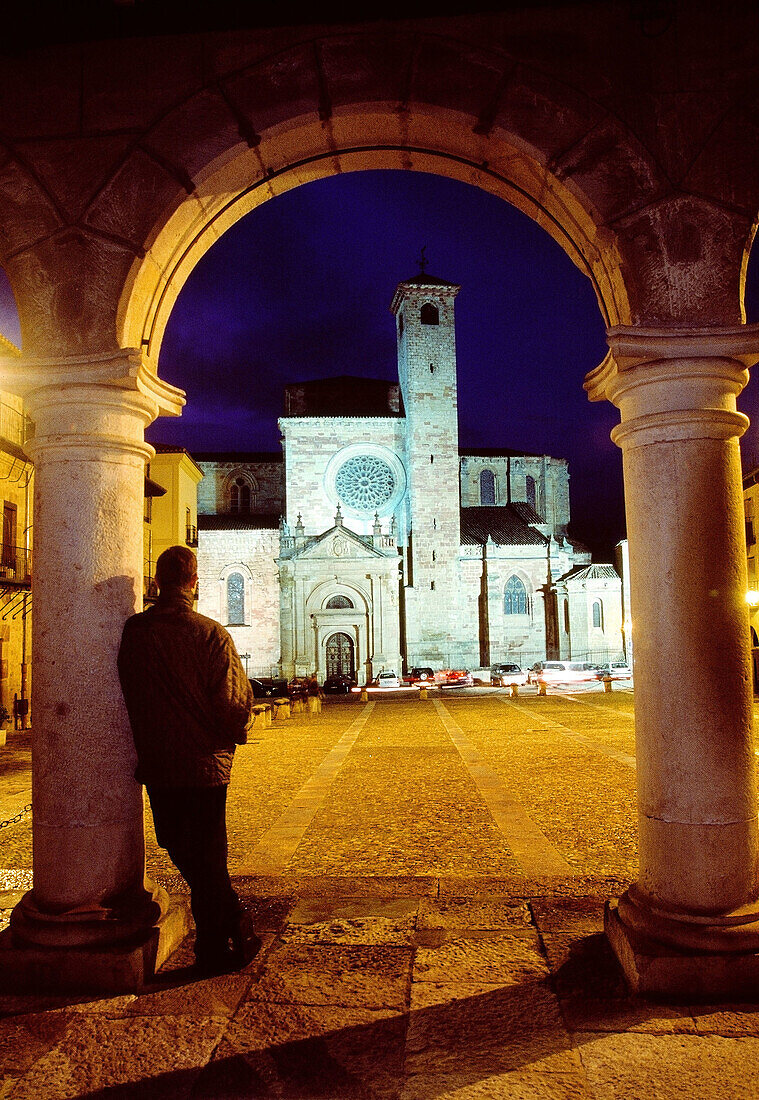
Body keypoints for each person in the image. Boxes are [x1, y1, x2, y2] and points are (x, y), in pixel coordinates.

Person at [117, 544, 259, 976]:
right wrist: (235, 734)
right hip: (204, 769)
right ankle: (230, 923)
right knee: (208, 859)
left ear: (156, 582)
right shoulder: (212, 634)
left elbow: (129, 689)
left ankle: (215, 944)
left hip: (161, 765)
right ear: (195, 583)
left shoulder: (135, 632)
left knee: (179, 847)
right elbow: (235, 707)